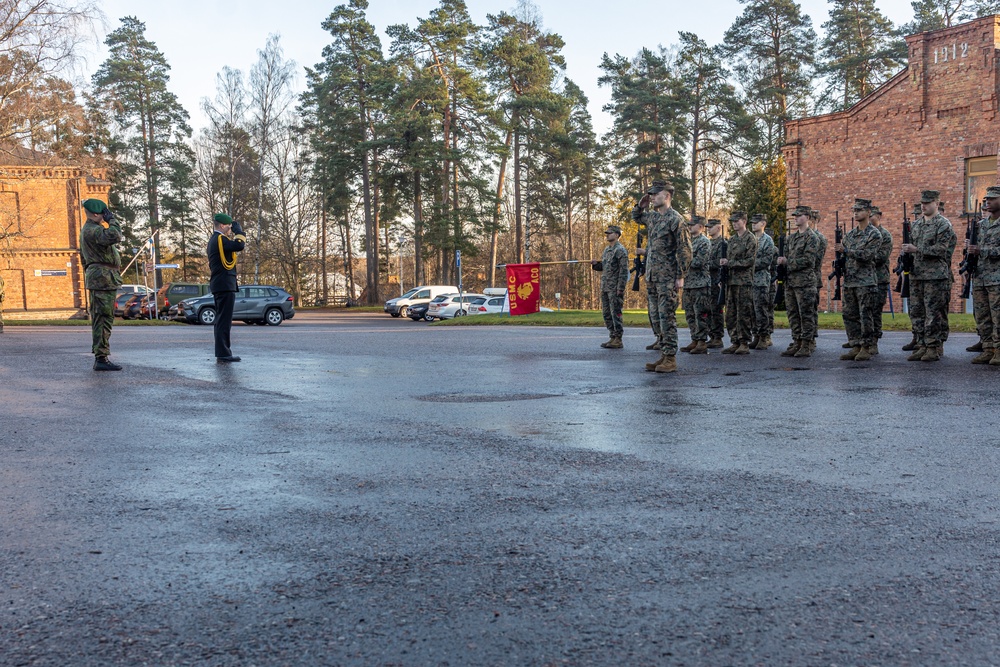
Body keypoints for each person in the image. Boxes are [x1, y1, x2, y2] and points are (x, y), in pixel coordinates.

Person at [633, 180, 692, 373]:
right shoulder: (654, 217)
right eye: (650, 194)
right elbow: (637, 218)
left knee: (667, 317)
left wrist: (680, 275)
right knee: (656, 317)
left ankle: (670, 358)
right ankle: (663, 354)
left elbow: (685, 250)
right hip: (652, 275)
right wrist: (639, 206)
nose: (651, 197)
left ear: (666, 195)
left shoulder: (677, 220)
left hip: (667, 277)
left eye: (655, 194)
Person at [900, 190, 957, 362]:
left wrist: (916, 250)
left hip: (935, 276)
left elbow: (942, 249)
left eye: (927, 203)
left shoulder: (943, 224)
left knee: (933, 312)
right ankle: (922, 344)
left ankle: (933, 346)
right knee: (917, 312)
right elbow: (909, 248)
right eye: (922, 203)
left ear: (936, 204)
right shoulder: (916, 225)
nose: (923, 206)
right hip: (917, 275)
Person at [79, 199, 123, 371]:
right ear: (97, 214)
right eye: (104, 213)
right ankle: (101, 358)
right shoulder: (93, 231)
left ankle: (101, 355)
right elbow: (116, 235)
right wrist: (112, 220)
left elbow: (84, 259)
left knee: (103, 317)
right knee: (103, 318)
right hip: (102, 279)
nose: (106, 216)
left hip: (103, 278)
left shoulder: (91, 230)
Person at [837, 198, 883, 361]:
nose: (856, 212)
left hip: (866, 281)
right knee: (850, 314)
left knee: (866, 315)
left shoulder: (874, 234)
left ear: (868, 212)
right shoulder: (850, 234)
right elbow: (845, 254)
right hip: (850, 280)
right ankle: (855, 344)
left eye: (860, 210)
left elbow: (868, 255)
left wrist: (847, 251)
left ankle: (866, 346)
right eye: (855, 210)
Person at [779, 206, 823, 357]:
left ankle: (806, 343)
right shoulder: (791, 238)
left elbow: (809, 260)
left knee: (806, 314)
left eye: (799, 215)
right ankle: (796, 340)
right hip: (791, 282)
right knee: (793, 314)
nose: (796, 217)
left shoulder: (812, 238)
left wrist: (787, 262)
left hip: (805, 282)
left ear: (808, 218)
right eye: (795, 215)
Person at [967, 186, 1000, 365]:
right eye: (987, 198)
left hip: (997, 279)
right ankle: (988, 348)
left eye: (993, 198)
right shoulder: (980, 225)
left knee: (998, 316)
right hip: (980, 277)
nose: (988, 201)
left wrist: (982, 250)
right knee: (982, 315)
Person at [208, 213, 246, 363]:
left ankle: (223, 352)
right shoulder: (219, 239)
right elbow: (239, 245)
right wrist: (240, 232)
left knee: (221, 320)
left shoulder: (216, 240)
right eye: (229, 227)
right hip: (224, 285)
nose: (231, 230)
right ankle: (224, 353)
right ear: (222, 226)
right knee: (224, 320)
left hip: (221, 284)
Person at [720, 211, 756, 354]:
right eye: (733, 221)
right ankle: (734, 340)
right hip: (731, 281)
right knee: (731, 314)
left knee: (743, 313)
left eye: (737, 221)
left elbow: (750, 261)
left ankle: (744, 342)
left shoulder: (750, 239)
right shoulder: (732, 240)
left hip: (744, 282)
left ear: (744, 221)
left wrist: (731, 263)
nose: (734, 224)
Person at [592, 225, 630, 349]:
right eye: (607, 233)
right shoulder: (607, 250)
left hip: (615, 288)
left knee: (616, 313)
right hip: (606, 286)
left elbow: (623, 271)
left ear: (617, 235)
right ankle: (612, 336)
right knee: (607, 313)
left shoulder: (620, 250)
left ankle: (618, 338)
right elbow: (605, 267)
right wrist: (596, 264)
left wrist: (620, 287)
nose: (607, 235)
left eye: (610, 233)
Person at [680, 216, 712, 354]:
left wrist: (684, 261)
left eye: (692, 225)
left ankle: (702, 342)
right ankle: (694, 339)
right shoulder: (688, 242)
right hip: (688, 283)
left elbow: (699, 262)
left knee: (700, 314)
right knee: (690, 314)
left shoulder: (704, 242)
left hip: (700, 284)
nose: (689, 227)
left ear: (700, 226)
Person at [750, 213, 777, 349]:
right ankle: (756, 335)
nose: (753, 224)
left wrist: (749, 264)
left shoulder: (767, 240)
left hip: (761, 280)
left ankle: (764, 337)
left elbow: (766, 261)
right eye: (752, 222)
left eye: (756, 222)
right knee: (752, 311)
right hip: (750, 280)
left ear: (763, 224)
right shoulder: (750, 239)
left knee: (761, 310)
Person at [869, 205, 893, 353]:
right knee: (864, 311)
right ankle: (862, 340)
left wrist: (860, 256)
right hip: (864, 279)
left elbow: (880, 257)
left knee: (875, 311)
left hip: (879, 278)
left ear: (879, 216)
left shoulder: (885, 235)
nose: (869, 218)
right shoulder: (865, 234)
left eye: (872, 215)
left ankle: (874, 341)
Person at [706, 219, 727, 348]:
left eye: (711, 227)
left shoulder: (723, 244)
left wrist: (705, 264)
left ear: (719, 228)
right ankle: (712, 335)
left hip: (716, 280)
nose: (708, 229)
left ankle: (718, 337)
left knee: (716, 309)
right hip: (708, 280)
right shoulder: (708, 243)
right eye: (707, 227)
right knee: (708, 309)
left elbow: (719, 262)